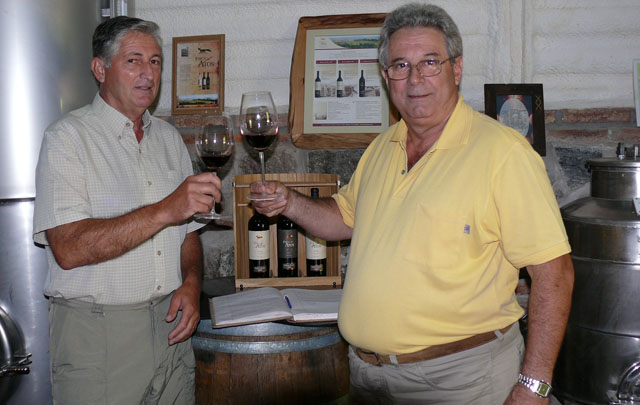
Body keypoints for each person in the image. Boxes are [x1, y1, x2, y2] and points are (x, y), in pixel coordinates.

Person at [251, 3, 574, 404]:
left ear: (456, 69)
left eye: (430, 62)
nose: (415, 78)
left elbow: (554, 275)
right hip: (369, 377)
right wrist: (289, 203)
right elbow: (342, 220)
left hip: (461, 381)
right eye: (400, 65)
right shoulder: (382, 147)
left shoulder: (503, 153)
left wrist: (534, 386)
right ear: (386, 77)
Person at [33, 16, 220, 404]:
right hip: (99, 337)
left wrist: (190, 284)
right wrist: (166, 209)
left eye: (155, 62)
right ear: (100, 69)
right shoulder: (66, 139)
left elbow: (188, 234)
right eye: (133, 60)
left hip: (170, 332)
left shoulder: (168, 138)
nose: (147, 73)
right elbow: (68, 249)